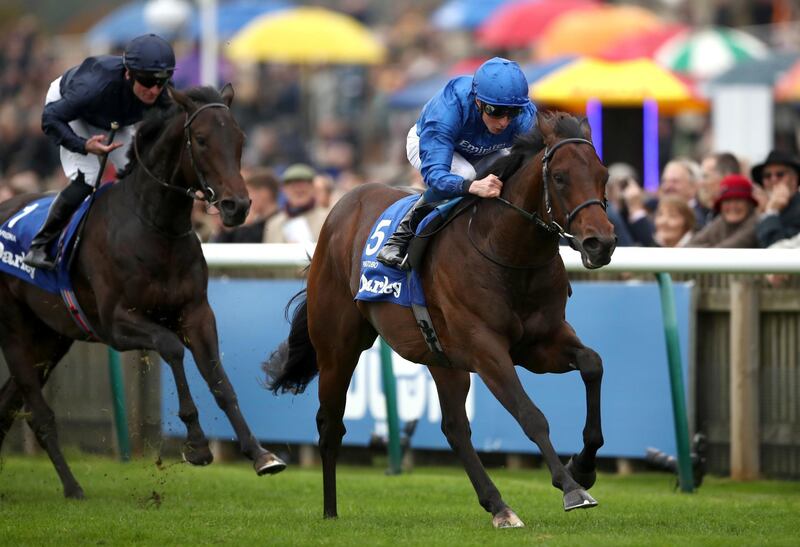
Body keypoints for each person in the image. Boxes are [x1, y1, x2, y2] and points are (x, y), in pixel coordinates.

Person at [23, 33, 175, 269]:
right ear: (128, 73)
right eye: (147, 81)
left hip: (112, 118)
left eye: (162, 80)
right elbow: (50, 118)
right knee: (89, 178)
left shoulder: (160, 91)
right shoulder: (93, 87)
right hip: (72, 112)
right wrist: (82, 145)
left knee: (143, 173)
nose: (154, 90)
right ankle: (40, 245)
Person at [376, 57, 537, 269]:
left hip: (486, 150)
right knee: (468, 175)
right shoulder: (448, 109)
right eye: (495, 111)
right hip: (431, 145)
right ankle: (398, 239)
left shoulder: (524, 115)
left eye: (512, 113)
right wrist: (470, 186)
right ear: (478, 102)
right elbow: (436, 175)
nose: (504, 122)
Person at [263, 163, 330, 244]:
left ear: (313, 188)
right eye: (293, 185)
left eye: (303, 185)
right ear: (283, 189)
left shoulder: (327, 219)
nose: (298, 190)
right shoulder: (274, 223)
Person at [687, 174, 759, 248]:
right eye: (727, 201)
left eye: (738, 200)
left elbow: (726, 251)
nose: (732, 206)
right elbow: (689, 246)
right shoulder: (721, 221)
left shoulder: (756, 224)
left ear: (749, 204)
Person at [212, 168, 280, 243]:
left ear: (264, 193)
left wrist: (246, 226)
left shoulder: (281, 222)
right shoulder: (256, 223)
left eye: (249, 192)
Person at [751, 149, 800, 248]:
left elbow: (775, 246)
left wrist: (771, 211)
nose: (773, 180)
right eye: (767, 176)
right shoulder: (760, 207)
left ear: (794, 179)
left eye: (780, 174)